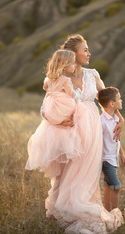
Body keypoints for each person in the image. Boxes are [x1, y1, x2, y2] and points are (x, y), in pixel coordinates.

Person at [27, 34, 125, 234]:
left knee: (86, 172)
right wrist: (56, 120)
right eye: (85, 50)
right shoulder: (60, 77)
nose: (89, 53)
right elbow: (45, 106)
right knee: (66, 172)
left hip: (91, 130)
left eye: (88, 49)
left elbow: (108, 100)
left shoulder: (92, 74)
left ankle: (81, 204)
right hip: (68, 132)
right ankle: (62, 210)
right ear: (73, 54)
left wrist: (120, 118)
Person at [25, 49, 84, 178]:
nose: (74, 66)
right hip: (62, 105)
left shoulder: (48, 79)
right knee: (74, 112)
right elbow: (72, 95)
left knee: (53, 132)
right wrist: (79, 91)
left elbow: (46, 88)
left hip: (50, 106)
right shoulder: (65, 80)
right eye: (72, 64)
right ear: (65, 65)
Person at [98, 87, 125, 212]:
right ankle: (115, 213)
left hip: (113, 157)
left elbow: (116, 139)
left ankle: (107, 210)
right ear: (112, 103)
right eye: (119, 99)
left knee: (108, 186)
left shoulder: (116, 119)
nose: (121, 101)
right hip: (106, 160)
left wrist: (122, 154)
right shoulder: (101, 122)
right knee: (116, 186)